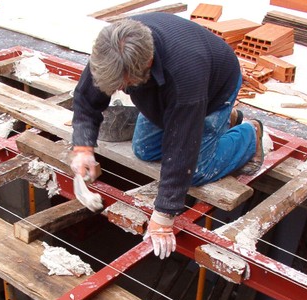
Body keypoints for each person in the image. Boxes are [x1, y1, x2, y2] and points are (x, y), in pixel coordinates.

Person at [70, 12, 264, 259]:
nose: (118, 89)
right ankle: (224, 121)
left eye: (123, 85)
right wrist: (83, 149)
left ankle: (249, 134)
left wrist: (163, 215)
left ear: (147, 64)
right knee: (144, 150)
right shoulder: (110, 50)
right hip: (173, 93)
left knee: (197, 171)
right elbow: (86, 99)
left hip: (213, 87)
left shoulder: (185, 76)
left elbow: (182, 147)